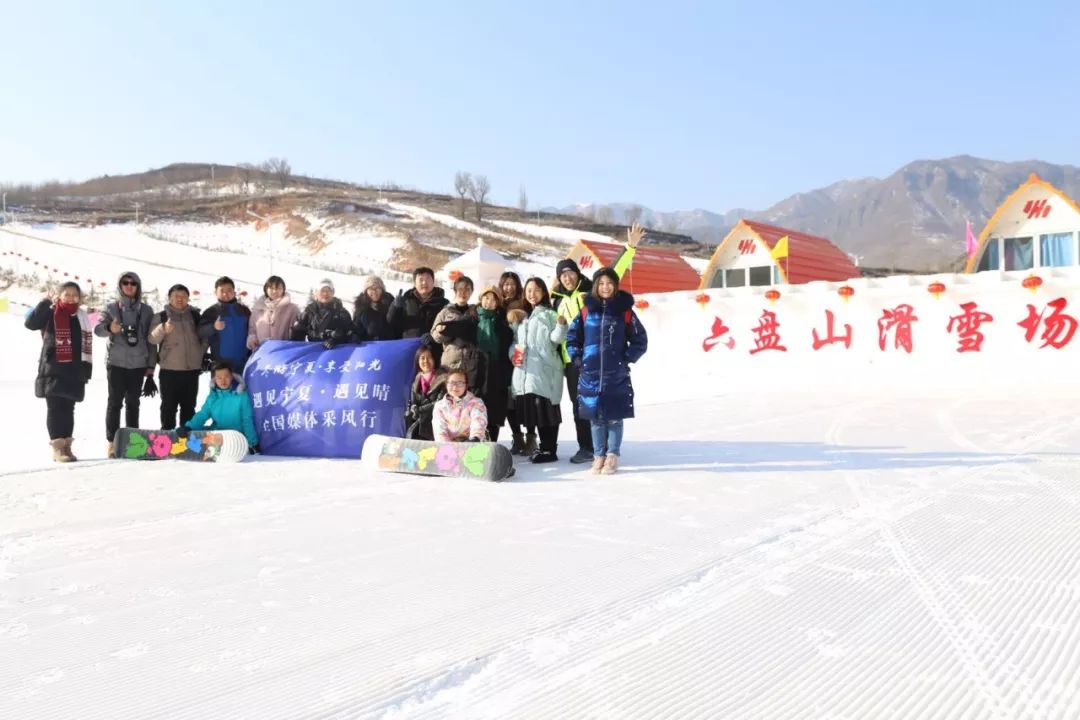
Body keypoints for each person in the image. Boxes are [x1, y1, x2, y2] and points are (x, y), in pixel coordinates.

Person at [552, 223, 642, 464]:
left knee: (609, 408)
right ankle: (588, 447)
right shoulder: (556, 301)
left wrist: (630, 248)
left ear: (578, 274)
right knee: (580, 406)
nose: (568, 278)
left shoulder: (590, 295)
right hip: (574, 362)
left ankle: (602, 451)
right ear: (559, 279)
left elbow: (613, 273)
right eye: (563, 275)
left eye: (571, 273)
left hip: (603, 360)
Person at [566, 267, 648, 475]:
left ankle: (612, 455)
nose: (605, 287)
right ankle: (598, 456)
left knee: (614, 416)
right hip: (590, 373)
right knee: (595, 417)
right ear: (595, 286)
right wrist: (577, 358)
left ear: (615, 286)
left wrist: (626, 358)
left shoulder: (625, 311)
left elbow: (640, 339)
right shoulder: (586, 311)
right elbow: (572, 337)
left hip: (615, 373)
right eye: (601, 283)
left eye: (609, 283)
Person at [25, 282, 93, 462]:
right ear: (60, 295)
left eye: (74, 294)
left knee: (69, 409)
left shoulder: (82, 317)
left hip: (74, 370)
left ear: (80, 297)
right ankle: (58, 448)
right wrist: (45, 302)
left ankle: (67, 447)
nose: (71, 297)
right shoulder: (50, 311)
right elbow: (31, 323)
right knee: (55, 409)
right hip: (53, 370)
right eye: (67, 294)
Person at [95, 271, 155, 457]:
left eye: (133, 283)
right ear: (120, 285)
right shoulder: (111, 308)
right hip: (116, 363)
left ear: (138, 287)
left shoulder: (146, 311)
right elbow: (97, 329)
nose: (129, 286)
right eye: (125, 282)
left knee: (133, 403)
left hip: (138, 364)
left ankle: (132, 440)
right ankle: (112, 442)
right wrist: (109, 328)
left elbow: (151, 341)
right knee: (114, 403)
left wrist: (151, 367)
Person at [507, 277, 567, 463]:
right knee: (538, 412)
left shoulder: (549, 314)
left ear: (543, 292)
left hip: (545, 370)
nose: (532, 294)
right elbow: (515, 343)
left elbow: (556, 339)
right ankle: (544, 448)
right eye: (529, 290)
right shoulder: (524, 319)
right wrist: (514, 355)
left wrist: (561, 325)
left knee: (548, 410)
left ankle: (550, 450)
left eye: (536, 290)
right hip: (528, 372)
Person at [149, 284, 205, 429]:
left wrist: (200, 353)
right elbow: (152, 339)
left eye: (183, 296)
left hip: (191, 371)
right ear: (169, 298)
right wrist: (162, 329)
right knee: (168, 408)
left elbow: (204, 337)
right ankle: (167, 440)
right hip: (169, 371)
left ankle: (185, 441)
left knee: (189, 408)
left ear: (188, 298)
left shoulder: (195, 315)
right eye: (176, 296)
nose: (180, 299)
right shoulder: (161, 316)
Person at [179, 360, 260, 453]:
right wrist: (189, 427)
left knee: (217, 440)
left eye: (226, 377)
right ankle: (182, 442)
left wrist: (253, 443)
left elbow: (247, 420)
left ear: (232, 377)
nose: (223, 380)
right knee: (193, 432)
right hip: (217, 433)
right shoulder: (212, 397)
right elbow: (202, 415)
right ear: (214, 380)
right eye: (219, 377)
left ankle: (207, 446)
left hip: (235, 437)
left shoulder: (241, 396)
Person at [474, 286, 514, 443]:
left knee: (495, 411)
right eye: (486, 298)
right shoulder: (472, 318)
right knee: (476, 409)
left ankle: (492, 444)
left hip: (497, 372)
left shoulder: (503, 324)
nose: (489, 302)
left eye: (493, 299)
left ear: (497, 302)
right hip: (477, 372)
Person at [430, 275, 482, 389]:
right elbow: (435, 336)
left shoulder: (476, 312)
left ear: (472, 292)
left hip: (470, 364)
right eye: (460, 289)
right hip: (450, 363)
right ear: (455, 290)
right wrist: (445, 332)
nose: (463, 293)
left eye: (467, 289)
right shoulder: (445, 312)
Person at [199, 276, 252, 371]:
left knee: (244, 386)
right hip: (221, 365)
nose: (225, 294)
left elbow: (252, 330)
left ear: (234, 291)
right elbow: (200, 331)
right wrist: (213, 327)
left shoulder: (244, 310)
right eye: (222, 291)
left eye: (229, 290)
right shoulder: (211, 311)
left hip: (244, 362)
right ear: (215, 293)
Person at [498, 271, 526, 451]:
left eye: (512, 283)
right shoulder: (498, 304)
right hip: (501, 357)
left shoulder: (522, 305)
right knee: (507, 400)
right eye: (506, 284)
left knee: (521, 398)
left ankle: (527, 436)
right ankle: (517, 436)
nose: (509, 287)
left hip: (518, 356)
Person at [387, 266, 449, 339]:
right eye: (421, 279)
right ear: (414, 283)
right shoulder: (405, 300)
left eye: (428, 279)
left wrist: (434, 339)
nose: (424, 282)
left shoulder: (444, 303)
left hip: (432, 346)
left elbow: (447, 327)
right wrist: (395, 307)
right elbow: (391, 322)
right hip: (409, 345)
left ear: (433, 282)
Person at [291, 278, 354, 347]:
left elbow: (349, 333)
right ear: (317, 293)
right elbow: (298, 334)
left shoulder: (341, 312)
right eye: (322, 291)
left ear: (333, 293)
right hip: (313, 351)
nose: (325, 293)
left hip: (334, 352)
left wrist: (336, 340)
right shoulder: (309, 310)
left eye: (328, 291)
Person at [432, 368, 488, 443]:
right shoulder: (440, 406)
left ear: (466, 385)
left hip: (472, 444)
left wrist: (475, 438)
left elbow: (478, 421)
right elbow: (439, 428)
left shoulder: (476, 403)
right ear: (446, 384)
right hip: (448, 447)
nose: (455, 387)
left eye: (460, 383)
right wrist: (447, 447)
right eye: (452, 383)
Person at [404, 345, 447, 440]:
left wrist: (419, 409)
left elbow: (439, 403)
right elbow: (413, 402)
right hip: (419, 424)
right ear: (417, 361)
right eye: (422, 358)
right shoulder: (416, 381)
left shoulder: (443, 379)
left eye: (429, 357)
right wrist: (413, 409)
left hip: (437, 425)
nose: (426, 361)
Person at [248, 275, 299, 350]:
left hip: (283, 351)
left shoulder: (292, 309)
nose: (275, 291)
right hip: (261, 351)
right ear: (266, 289)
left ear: (283, 290)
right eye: (271, 288)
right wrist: (252, 339)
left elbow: (296, 332)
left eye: (279, 288)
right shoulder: (258, 308)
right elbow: (252, 329)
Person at [352, 275, 394, 341]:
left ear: (382, 290)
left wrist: (397, 308)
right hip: (370, 347)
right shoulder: (361, 307)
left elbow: (398, 326)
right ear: (366, 291)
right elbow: (357, 327)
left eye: (378, 288)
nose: (374, 291)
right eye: (371, 289)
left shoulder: (390, 303)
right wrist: (355, 335)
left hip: (388, 345)